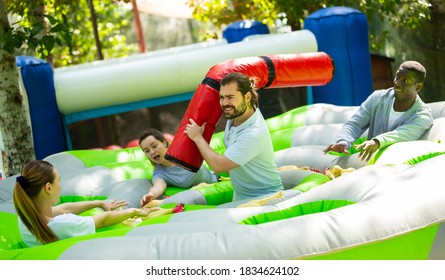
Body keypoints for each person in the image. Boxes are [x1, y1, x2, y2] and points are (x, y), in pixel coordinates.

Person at [185, 72, 283, 201]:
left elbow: (218, 166)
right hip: (241, 195)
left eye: (230, 97)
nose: (225, 103)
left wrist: (197, 137)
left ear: (247, 97)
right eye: (222, 97)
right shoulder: (238, 113)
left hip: (264, 199)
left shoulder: (252, 134)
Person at [13, 160, 155, 247]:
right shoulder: (63, 225)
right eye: (59, 181)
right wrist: (134, 211)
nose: (60, 186)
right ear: (48, 188)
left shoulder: (25, 218)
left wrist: (97, 203)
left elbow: (64, 209)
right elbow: (103, 220)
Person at [324, 60, 434, 161]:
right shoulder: (377, 98)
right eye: (397, 78)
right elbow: (355, 123)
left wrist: (377, 141)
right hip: (369, 165)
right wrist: (343, 142)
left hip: (398, 169)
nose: (397, 84)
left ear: (418, 87)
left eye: (405, 81)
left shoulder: (422, 116)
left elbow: (401, 134)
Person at [139, 129, 219, 207]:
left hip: (217, 183)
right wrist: (150, 195)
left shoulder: (182, 151)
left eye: (154, 146)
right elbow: (158, 186)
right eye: (147, 151)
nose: (152, 152)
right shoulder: (160, 173)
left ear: (164, 143)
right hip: (201, 197)